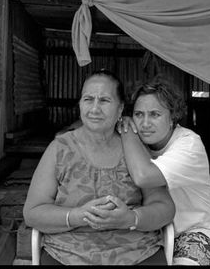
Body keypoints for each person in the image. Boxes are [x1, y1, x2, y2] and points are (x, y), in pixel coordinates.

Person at [23, 69, 175, 265]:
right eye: (88, 99)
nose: (95, 109)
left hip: (136, 252)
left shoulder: (133, 147)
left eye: (104, 100)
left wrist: (130, 219)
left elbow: (164, 207)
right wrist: (78, 216)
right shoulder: (60, 148)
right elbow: (33, 212)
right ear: (80, 104)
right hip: (67, 254)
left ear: (120, 109)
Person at [118, 76, 210, 265]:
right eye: (138, 114)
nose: (145, 123)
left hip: (193, 231)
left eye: (155, 114)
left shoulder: (189, 144)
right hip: (151, 228)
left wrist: (126, 130)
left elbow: (144, 177)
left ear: (172, 117)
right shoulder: (138, 141)